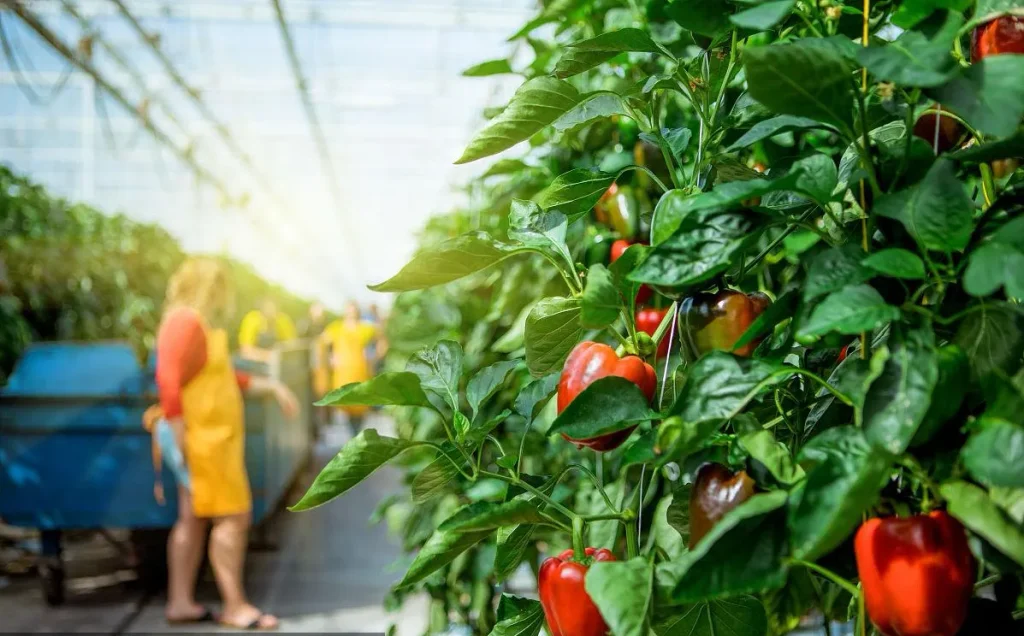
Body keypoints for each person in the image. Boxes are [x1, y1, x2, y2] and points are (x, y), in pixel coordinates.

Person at [155, 258, 298, 630]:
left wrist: (271, 386)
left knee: (193, 518)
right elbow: (167, 380)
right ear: (211, 287)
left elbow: (219, 376)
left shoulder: (195, 324)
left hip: (208, 440)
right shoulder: (185, 321)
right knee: (233, 517)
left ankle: (181, 603)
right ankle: (234, 605)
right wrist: (182, 438)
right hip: (204, 441)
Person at [319, 301, 377, 430]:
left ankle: (355, 435)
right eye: (349, 310)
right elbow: (321, 342)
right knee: (342, 406)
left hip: (360, 372)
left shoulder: (365, 328)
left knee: (359, 407)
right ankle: (349, 438)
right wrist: (330, 357)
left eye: (353, 311)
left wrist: (373, 358)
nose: (351, 313)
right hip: (342, 374)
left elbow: (381, 339)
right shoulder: (336, 328)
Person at [237, 298, 297, 363]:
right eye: (267, 308)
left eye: (273, 309)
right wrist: (270, 356)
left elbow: (292, 345)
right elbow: (246, 350)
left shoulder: (282, 320)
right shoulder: (252, 318)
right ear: (261, 309)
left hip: (274, 360)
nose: (270, 312)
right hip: (252, 360)